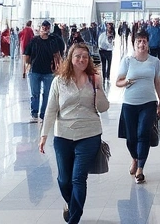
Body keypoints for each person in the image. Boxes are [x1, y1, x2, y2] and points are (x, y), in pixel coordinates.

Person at [39, 43, 110, 224]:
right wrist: (44, 135)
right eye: (77, 56)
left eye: (85, 57)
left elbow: (103, 108)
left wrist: (99, 88)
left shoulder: (94, 79)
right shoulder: (59, 81)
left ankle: (74, 219)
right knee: (64, 180)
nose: (81, 59)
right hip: (63, 135)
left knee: (78, 178)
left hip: (90, 134)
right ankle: (71, 205)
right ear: (70, 58)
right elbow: (51, 109)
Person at [116, 30, 160, 184]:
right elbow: (118, 82)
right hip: (130, 104)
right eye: (139, 41)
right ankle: (134, 158)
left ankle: (140, 169)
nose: (142, 44)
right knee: (131, 137)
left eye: (144, 41)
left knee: (143, 134)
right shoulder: (128, 61)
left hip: (148, 103)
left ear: (148, 43)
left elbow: (157, 82)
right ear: (134, 44)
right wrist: (127, 82)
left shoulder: (154, 61)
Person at [23, 20, 65, 123]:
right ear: (41, 27)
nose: (45, 29)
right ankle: (34, 113)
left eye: (47, 27)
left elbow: (57, 55)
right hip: (34, 71)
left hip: (48, 72)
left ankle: (43, 114)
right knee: (35, 93)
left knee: (47, 93)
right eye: (44, 27)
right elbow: (27, 55)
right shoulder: (34, 41)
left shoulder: (52, 41)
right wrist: (26, 67)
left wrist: (60, 68)